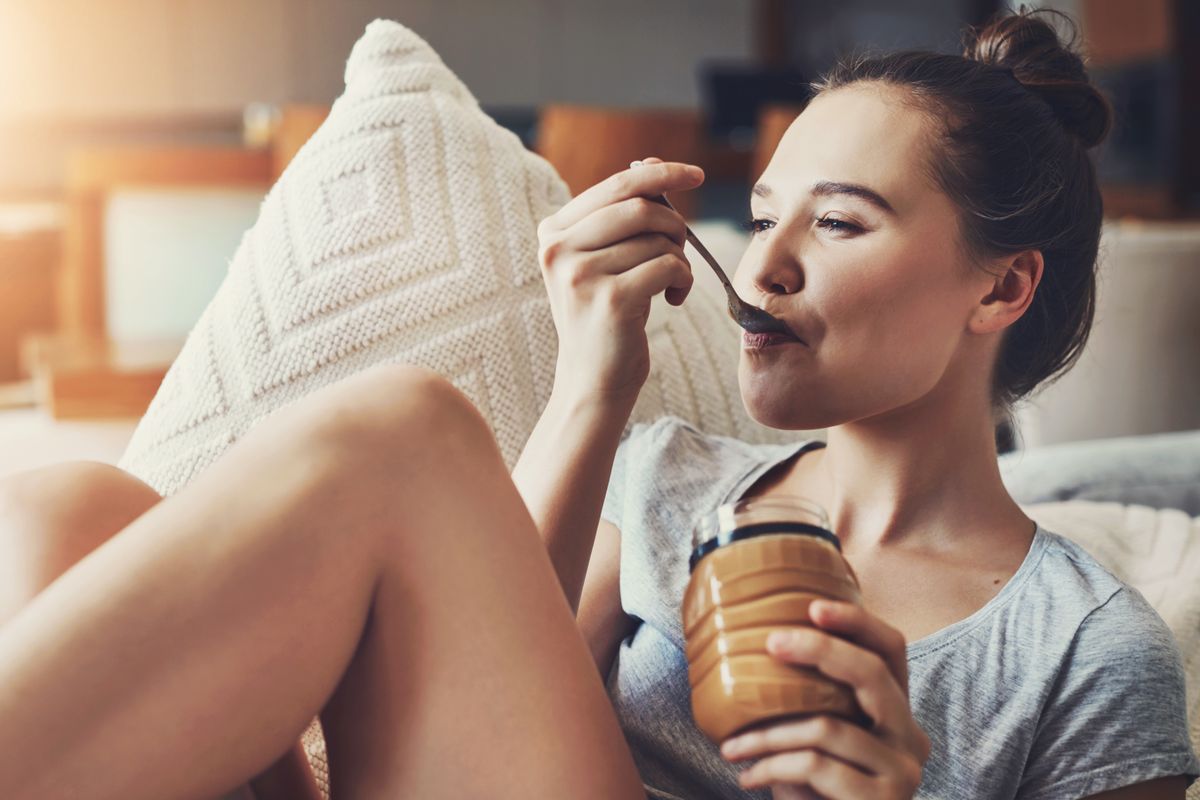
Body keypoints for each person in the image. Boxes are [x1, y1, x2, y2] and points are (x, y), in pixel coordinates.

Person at [0, 8, 1196, 800]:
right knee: (70, 508)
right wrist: (591, 380)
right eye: (761, 213)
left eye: (836, 223)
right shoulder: (670, 474)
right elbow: (441, 710)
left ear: (1002, 285)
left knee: (407, 431)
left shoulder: (1089, 650)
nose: (768, 264)